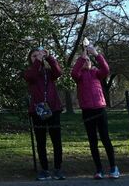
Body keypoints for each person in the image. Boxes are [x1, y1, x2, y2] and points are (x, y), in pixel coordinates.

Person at [71, 43, 119, 180]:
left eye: (88, 60)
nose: (86, 62)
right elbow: (73, 72)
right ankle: (99, 169)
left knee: (105, 138)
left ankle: (114, 167)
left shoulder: (97, 74)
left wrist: (96, 54)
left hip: (100, 109)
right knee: (93, 141)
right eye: (84, 61)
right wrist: (82, 57)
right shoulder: (78, 77)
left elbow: (106, 69)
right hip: (87, 111)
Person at [23, 47, 64, 181]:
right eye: (33, 56)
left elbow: (58, 72)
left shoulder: (48, 72)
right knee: (41, 141)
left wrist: (49, 57)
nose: (37, 57)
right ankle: (44, 169)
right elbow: (32, 77)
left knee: (56, 140)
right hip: (38, 110)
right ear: (30, 59)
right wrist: (38, 61)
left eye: (38, 55)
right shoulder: (29, 72)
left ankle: (58, 169)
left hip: (53, 108)